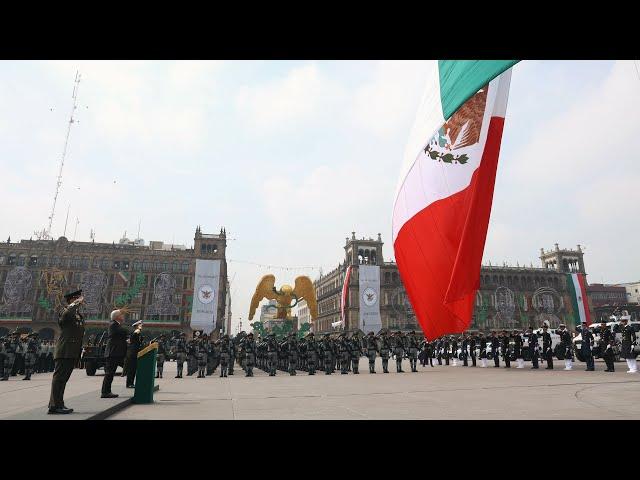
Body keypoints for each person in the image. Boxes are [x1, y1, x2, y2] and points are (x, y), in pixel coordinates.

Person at [48, 290, 85, 414]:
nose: (81, 300)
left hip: (72, 351)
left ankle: (60, 403)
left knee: (63, 379)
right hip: (65, 350)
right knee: (59, 379)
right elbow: (65, 317)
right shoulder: (65, 311)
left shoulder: (77, 314)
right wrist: (74, 305)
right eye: (77, 298)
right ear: (71, 300)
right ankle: (54, 406)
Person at [101, 309, 128, 398]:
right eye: (121, 315)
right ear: (117, 317)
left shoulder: (117, 325)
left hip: (117, 353)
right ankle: (105, 392)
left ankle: (107, 391)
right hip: (113, 353)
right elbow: (124, 331)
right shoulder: (113, 324)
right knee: (109, 373)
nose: (123, 316)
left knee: (111, 373)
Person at [126, 321, 143, 387]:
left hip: (135, 352)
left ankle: (131, 383)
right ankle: (129, 383)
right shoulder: (135, 333)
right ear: (136, 326)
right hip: (133, 352)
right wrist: (137, 331)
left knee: (133, 369)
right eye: (140, 325)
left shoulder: (137, 333)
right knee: (131, 369)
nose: (141, 327)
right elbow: (133, 339)